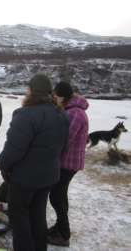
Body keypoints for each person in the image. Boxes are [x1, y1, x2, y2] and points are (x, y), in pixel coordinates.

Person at [0, 74, 69, 251]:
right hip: (48, 176)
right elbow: (64, 148)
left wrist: (0, 164)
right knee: (38, 215)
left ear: (32, 91)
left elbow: (14, 148)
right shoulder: (61, 114)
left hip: (24, 179)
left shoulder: (26, 115)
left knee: (19, 218)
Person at [47, 81, 89, 247]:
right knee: (60, 195)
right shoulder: (72, 110)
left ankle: (64, 234)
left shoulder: (75, 114)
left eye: (55, 96)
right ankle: (59, 228)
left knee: (57, 197)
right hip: (68, 161)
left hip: (68, 163)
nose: (54, 99)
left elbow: (64, 140)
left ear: (62, 97)